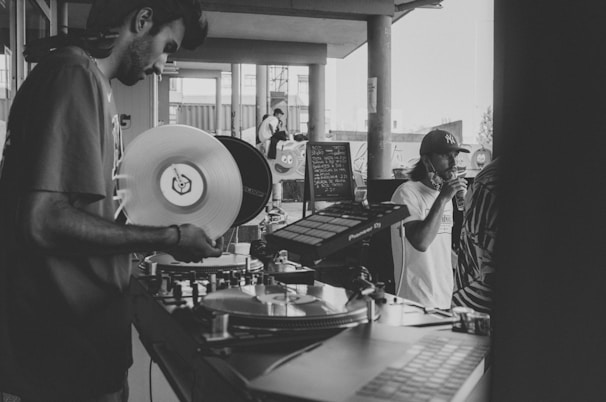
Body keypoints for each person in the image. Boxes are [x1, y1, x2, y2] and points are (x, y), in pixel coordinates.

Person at [0, 1, 222, 401]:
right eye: (167, 48)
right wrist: (170, 237)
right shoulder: (74, 75)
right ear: (142, 20)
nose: (162, 66)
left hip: (87, 340)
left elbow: (83, 212)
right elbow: (44, 221)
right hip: (63, 351)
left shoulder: (92, 81)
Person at [390, 129, 469, 309]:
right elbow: (421, 242)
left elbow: (439, 245)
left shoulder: (444, 196)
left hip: (444, 298)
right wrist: (443, 198)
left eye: (455, 156)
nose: (453, 163)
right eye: (446, 156)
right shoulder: (406, 193)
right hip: (415, 301)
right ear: (426, 161)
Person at [452, 158, 499, 314]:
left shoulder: (486, 179)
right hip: (478, 297)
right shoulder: (490, 180)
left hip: (468, 293)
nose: (453, 163)